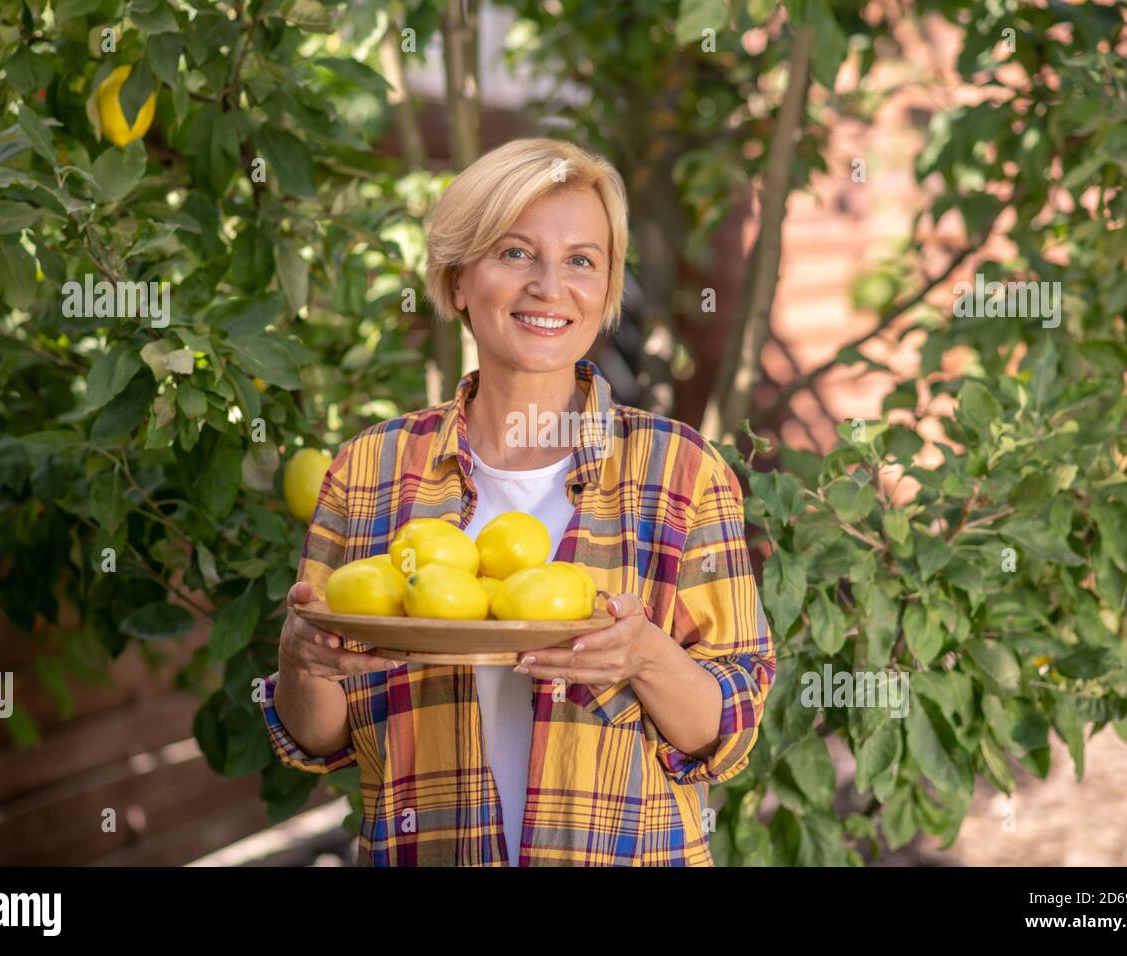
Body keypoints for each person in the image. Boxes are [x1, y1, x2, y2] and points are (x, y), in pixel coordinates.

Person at [260, 138, 775, 866]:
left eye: (581, 261)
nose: (549, 286)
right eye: (514, 253)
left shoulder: (679, 469)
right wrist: (300, 656)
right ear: (458, 280)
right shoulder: (371, 469)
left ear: (604, 291)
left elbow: (728, 731)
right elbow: (318, 739)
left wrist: (646, 658)